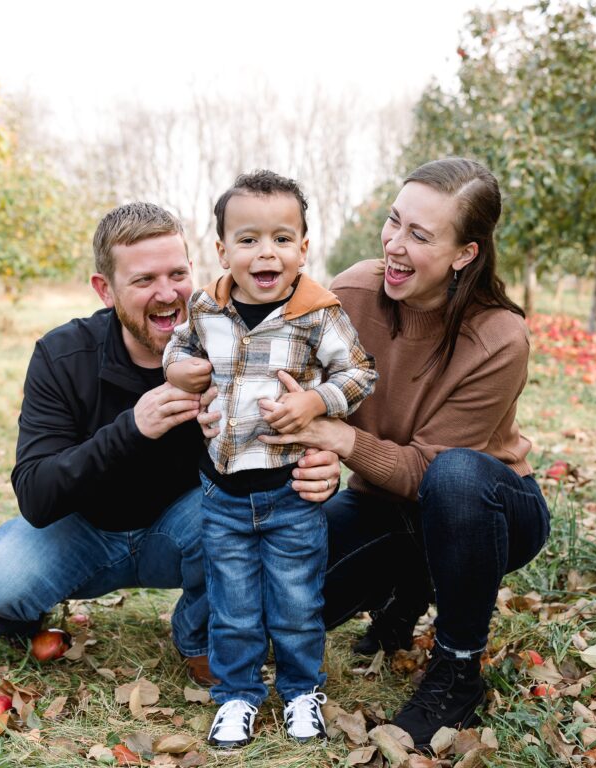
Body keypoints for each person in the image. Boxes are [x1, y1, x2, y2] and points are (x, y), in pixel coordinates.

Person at [0, 202, 340, 687]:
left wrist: (319, 471)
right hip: (84, 530)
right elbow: (36, 494)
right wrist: (131, 429)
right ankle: (20, 623)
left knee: (250, 514)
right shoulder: (62, 355)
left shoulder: (236, 346)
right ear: (106, 290)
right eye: (144, 281)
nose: (168, 294)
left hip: (188, 528)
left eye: (177, 273)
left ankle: (199, 636)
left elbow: (288, 449)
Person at [253, 157, 550, 749]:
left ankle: (457, 670)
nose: (394, 245)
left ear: (465, 253)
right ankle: (403, 592)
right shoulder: (353, 294)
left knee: (457, 478)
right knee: (263, 615)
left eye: (420, 235)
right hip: (384, 506)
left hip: (485, 510)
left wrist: (339, 440)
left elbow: (427, 469)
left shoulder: (498, 337)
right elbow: (300, 393)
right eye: (394, 222)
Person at [163, 171, 377, 748]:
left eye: (283, 239)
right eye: (249, 239)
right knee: (232, 606)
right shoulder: (207, 308)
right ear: (223, 250)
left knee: (296, 602)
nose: (267, 252)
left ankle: (303, 690)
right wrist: (178, 370)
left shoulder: (318, 314)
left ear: (304, 248)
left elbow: (360, 372)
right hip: (223, 494)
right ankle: (236, 696)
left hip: (291, 494)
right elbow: (179, 349)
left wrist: (317, 399)